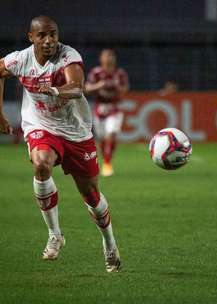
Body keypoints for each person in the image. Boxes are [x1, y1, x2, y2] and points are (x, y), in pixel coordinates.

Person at [0, 16, 121, 272]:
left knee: (91, 196)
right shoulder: (20, 60)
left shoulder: (69, 56)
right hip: (41, 127)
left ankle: (109, 243)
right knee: (41, 164)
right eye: (42, 35)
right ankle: (55, 234)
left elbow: (77, 87)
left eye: (53, 34)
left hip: (76, 133)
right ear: (31, 37)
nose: (49, 40)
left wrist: (56, 91)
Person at [85, 49, 129, 177]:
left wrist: (116, 87)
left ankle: (108, 163)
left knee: (111, 134)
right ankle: (105, 160)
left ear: (114, 58)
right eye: (106, 56)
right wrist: (98, 85)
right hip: (99, 108)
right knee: (102, 139)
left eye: (111, 56)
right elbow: (87, 88)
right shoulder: (96, 72)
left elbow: (125, 89)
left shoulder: (119, 73)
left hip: (114, 108)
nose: (109, 58)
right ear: (101, 58)